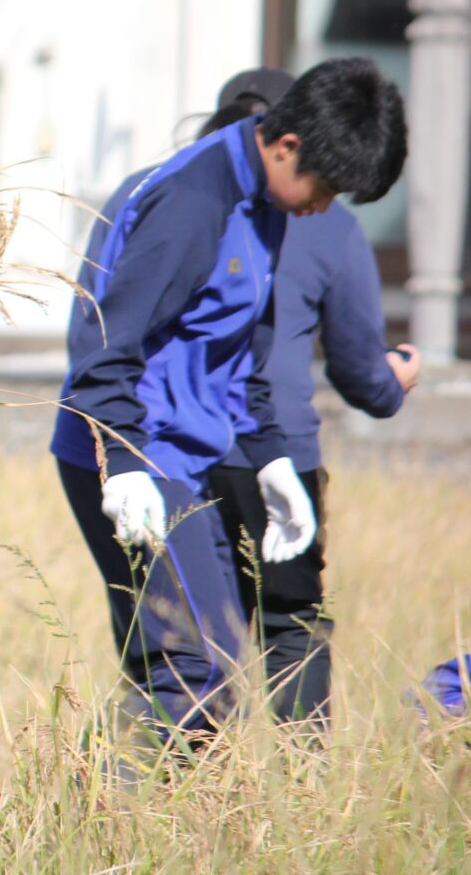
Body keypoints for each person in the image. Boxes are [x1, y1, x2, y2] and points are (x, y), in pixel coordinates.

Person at [49, 57, 406, 738]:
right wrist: (123, 465)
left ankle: (128, 821)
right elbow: (105, 342)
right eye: (324, 187)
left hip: (183, 457)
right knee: (194, 671)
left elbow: (239, 349)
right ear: (286, 143)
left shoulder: (264, 200)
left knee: (203, 668)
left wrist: (270, 457)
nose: (321, 207)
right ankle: (109, 823)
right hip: (136, 454)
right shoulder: (195, 202)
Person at [196, 72, 420, 726]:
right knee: (291, 627)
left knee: (189, 640)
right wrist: (395, 380)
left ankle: (182, 790)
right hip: (280, 450)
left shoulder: (186, 197)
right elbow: (360, 375)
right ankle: (300, 779)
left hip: (180, 452)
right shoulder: (333, 226)